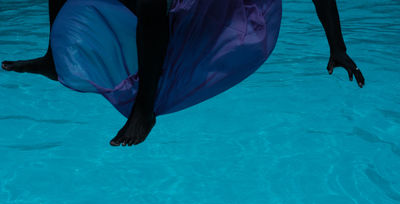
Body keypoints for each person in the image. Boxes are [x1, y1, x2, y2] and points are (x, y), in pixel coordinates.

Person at [1, 0, 365, 147]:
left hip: (235, 13)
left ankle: (144, 108)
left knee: (152, 4)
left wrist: (337, 46)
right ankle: (55, 57)